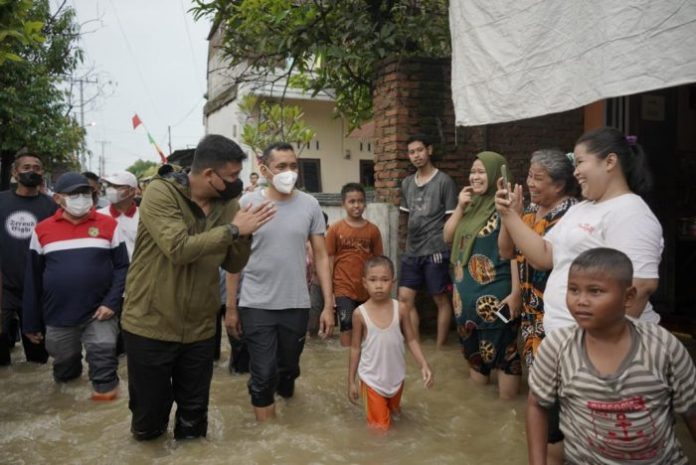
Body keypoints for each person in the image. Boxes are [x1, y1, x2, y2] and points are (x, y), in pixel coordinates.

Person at [496, 127, 664, 463]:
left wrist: (598, 354)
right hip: (564, 343)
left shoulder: (631, 212)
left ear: (610, 162)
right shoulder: (582, 209)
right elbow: (543, 255)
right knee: (563, 435)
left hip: (605, 357)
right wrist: (510, 216)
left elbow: (641, 288)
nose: (575, 171)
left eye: (581, 161)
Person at [120, 135, 275, 441]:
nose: (237, 183)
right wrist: (233, 229)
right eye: (231, 176)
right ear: (208, 175)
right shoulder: (161, 194)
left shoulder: (228, 204)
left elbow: (233, 264)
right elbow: (178, 248)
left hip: (200, 329)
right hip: (150, 326)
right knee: (149, 421)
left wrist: (245, 234)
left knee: (194, 420)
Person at [527, 248, 696, 464]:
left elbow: (691, 410)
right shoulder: (557, 347)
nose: (581, 300)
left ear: (628, 296)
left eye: (595, 291)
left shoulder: (662, 346)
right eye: (573, 290)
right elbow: (537, 405)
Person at [225, 142, 334, 422]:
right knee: (262, 374)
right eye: (281, 167)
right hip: (255, 304)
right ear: (264, 170)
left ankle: (287, 401)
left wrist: (328, 305)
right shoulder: (248, 205)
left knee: (288, 369)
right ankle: (269, 440)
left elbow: (321, 256)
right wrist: (231, 307)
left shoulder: (309, 205)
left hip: (296, 304)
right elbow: (233, 261)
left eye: (293, 166)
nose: (289, 172)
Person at [22, 172, 128, 400]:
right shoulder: (42, 230)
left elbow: (123, 267)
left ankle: (103, 415)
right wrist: (31, 322)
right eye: (74, 194)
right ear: (58, 199)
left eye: (85, 193)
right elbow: (33, 278)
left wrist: (112, 302)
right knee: (65, 370)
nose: (81, 198)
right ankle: (69, 410)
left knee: (104, 361)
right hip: (58, 316)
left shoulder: (109, 225)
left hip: (100, 313)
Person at [443, 151, 522, 399]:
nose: (475, 176)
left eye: (481, 171)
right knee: (476, 359)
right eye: (472, 171)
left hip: (496, 300)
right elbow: (447, 237)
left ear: (497, 174)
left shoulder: (506, 206)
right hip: (465, 305)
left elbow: (514, 253)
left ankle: (507, 413)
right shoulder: (471, 206)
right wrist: (459, 206)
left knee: (504, 357)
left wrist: (516, 292)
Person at [497, 150, 578, 368]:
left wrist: (512, 217)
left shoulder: (570, 214)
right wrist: (508, 215)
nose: (530, 183)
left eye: (538, 178)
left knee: (554, 374)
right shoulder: (531, 209)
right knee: (536, 375)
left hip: (555, 312)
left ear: (559, 185)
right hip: (529, 310)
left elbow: (540, 260)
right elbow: (507, 252)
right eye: (530, 176)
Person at [347, 255, 433, 431]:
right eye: (373, 280)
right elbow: (355, 348)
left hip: (396, 378)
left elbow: (411, 339)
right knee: (380, 430)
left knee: (395, 415)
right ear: (364, 283)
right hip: (371, 380)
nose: (379, 285)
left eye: (384, 280)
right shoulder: (359, 314)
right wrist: (351, 381)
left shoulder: (400, 309)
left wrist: (423, 364)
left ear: (393, 282)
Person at [398, 133, 458, 348]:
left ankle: (440, 347)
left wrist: (448, 250)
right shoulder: (406, 184)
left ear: (429, 150)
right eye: (412, 152)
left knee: (440, 299)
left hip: (436, 250)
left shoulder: (444, 181)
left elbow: (451, 219)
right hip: (411, 252)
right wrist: (405, 246)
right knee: (405, 300)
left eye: (419, 150)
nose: (416, 155)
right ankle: (415, 345)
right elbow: (406, 217)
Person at [0, 150, 57, 365]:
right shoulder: (1, 202)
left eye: (36, 168)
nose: (31, 172)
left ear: (42, 173)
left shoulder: (52, 207)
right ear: (15, 172)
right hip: (3, 289)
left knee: (38, 356)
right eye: (26, 168)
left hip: (37, 291)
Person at [327, 183, 383, 346]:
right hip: (343, 287)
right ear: (343, 204)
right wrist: (330, 292)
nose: (357, 205)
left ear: (365, 203)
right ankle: (347, 361)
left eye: (360, 201)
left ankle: (365, 362)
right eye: (352, 201)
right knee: (347, 326)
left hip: (366, 288)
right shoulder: (335, 230)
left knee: (367, 326)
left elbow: (378, 261)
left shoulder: (373, 230)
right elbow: (329, 260)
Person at [99, 171, 139, 260]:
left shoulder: (144, 216)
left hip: (139, 271)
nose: (110, 189)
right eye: (109, 185)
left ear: (132, 191)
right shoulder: (99, 216)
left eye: (116, 186)